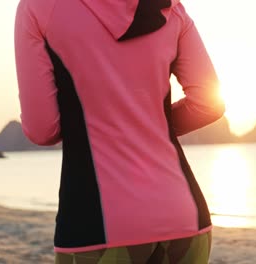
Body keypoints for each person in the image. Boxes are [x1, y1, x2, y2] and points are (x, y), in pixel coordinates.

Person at [14, 0, 225, 263]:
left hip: (94, 227)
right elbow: (208, 104)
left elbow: (42, 129)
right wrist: (151, 126)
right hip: (186, 219)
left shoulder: (39, 7)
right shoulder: (170, 6)